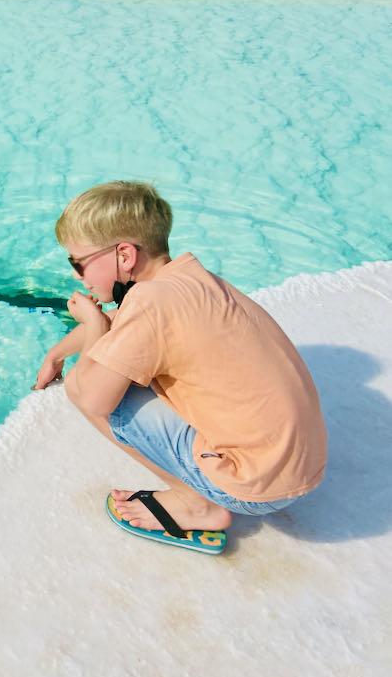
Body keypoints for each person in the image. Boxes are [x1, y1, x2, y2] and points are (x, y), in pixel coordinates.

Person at [33, 181, 326, 554]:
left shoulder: (152, 304)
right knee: (120, 366)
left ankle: (197, 504)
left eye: (78, 262)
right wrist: (56, 354)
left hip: (254, 486)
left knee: (84, 386)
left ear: (124, 255)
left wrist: (92, 325)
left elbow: (92, 396)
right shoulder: (185, 279)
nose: (77, 275)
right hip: (301, 465)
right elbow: (122, 321)